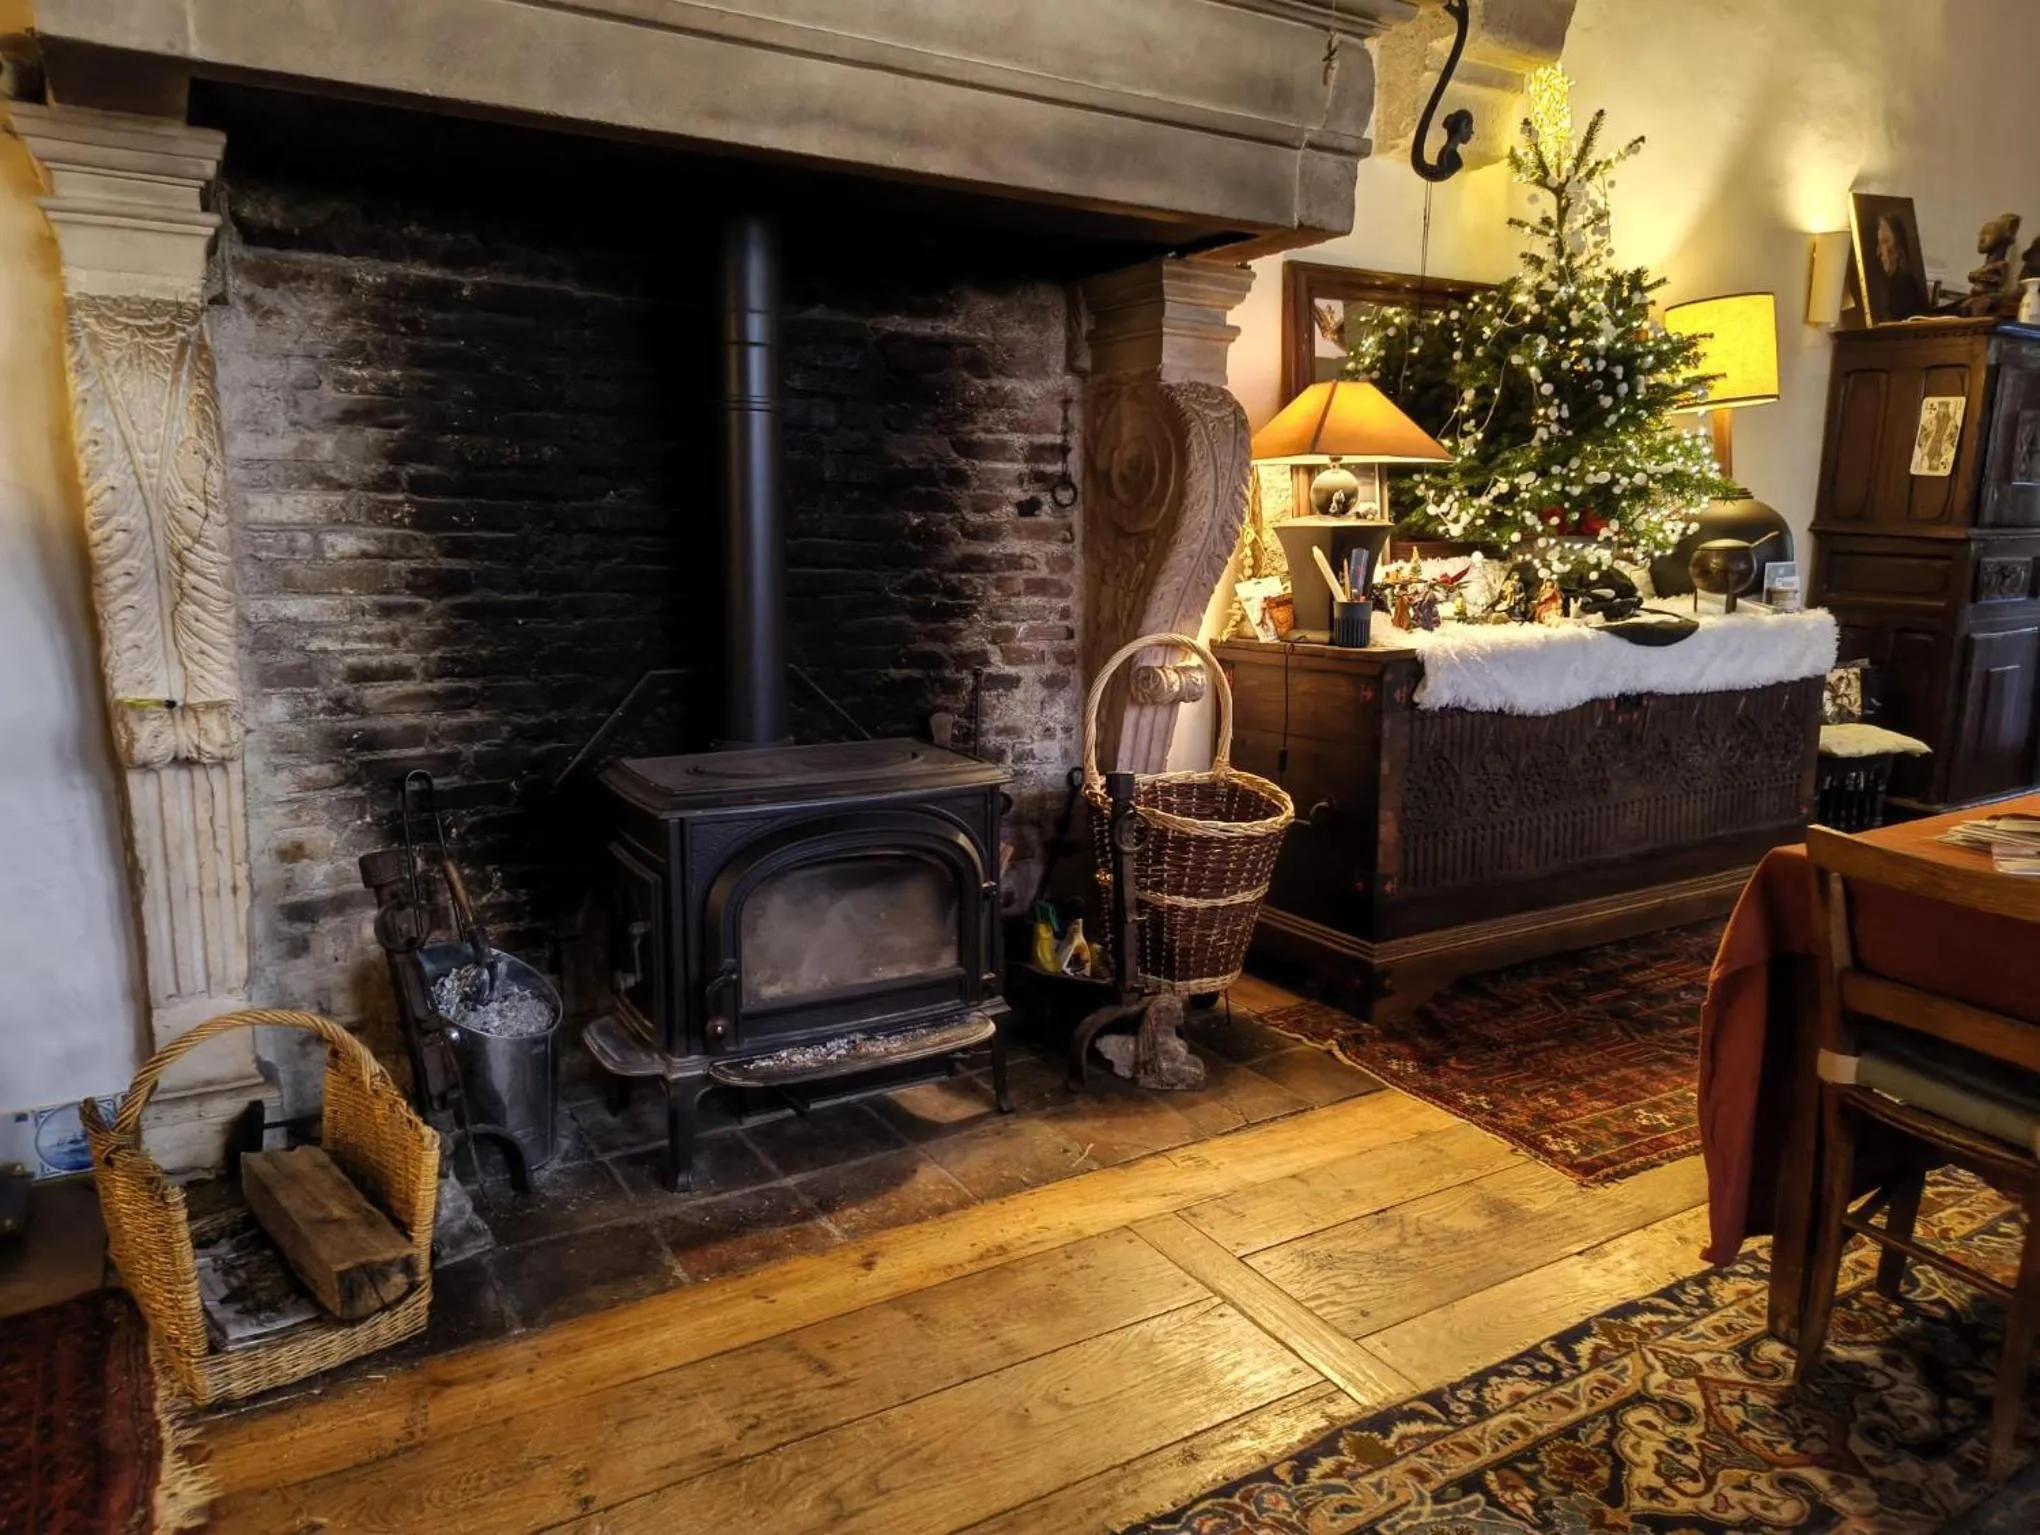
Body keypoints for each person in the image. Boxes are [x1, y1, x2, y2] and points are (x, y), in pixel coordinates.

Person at [1872, 210, 1930, 321]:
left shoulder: (1906, 288)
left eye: (1885, 241)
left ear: (1898, 248)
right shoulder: (1882, 285)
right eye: (1878, 243)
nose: (1879, 252)